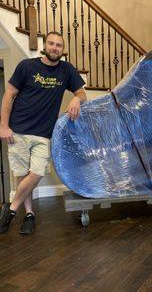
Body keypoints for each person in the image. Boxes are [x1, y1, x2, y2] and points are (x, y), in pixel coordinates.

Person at [0, 31, 87, 235]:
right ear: (45, 46)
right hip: (18, 129)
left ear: (62, 49)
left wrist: (76, 99)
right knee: (22, 175)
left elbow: (81, 92)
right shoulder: (26, 66)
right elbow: (9, 94)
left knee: (37, 173)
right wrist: (3, 126)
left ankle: (11, 209)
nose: (55, 48)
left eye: (58, 45)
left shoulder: (66, 70)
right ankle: (29, 215)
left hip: (42, 134)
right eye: (51, 44)